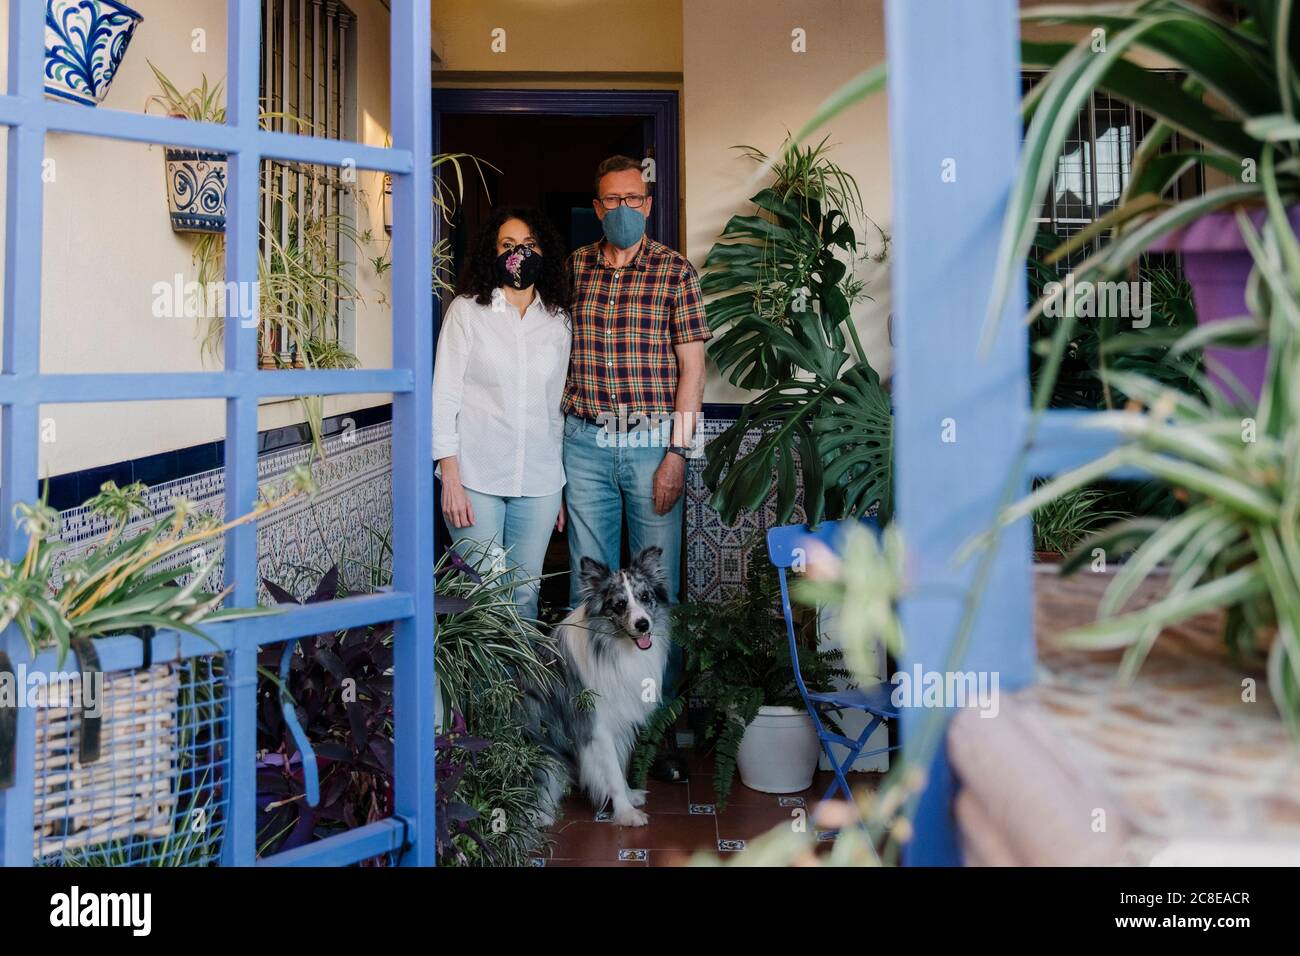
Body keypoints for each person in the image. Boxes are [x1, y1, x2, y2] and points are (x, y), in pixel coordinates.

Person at [562, 155, 710, 610]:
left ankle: (656, 664)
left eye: (632, 198)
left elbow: (694, 370)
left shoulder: (676, 271)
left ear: (647, 205)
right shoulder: (574, 268)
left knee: (657, 585)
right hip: (585, 443)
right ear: (597, 207)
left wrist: (677, 455)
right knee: (589, 587)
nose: (622, 207)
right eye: (612, 199)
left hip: (652, 441)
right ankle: (592, 663)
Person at [433, 208, 572, 620]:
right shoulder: (467, 312)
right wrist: (450, 478)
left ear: (543, 252)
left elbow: (556, 408)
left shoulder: (558, 321)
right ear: (491, 253)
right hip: (476, 480)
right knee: (485, 595)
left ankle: (520, 669)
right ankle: (481, 671)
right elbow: (444, 397)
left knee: (525, 596)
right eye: (508, 245)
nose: (519, 254)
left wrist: (557, 485)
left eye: (528, 245)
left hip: (540, 483)